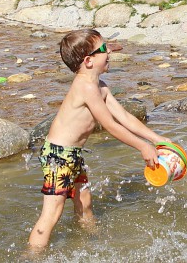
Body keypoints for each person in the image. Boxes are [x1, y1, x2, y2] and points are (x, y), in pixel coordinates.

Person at [28, 29, 176, 254]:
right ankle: (32, 256)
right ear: (88, 61)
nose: (110, 53)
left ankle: (92, 246)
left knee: (85, 204)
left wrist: (157, 139)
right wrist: (142, 146)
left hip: (73, 154)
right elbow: (109, 125)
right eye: (104, 49)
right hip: (57, 156)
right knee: (52, 213)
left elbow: (125, 117)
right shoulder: (85, 87)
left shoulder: (100, 86)